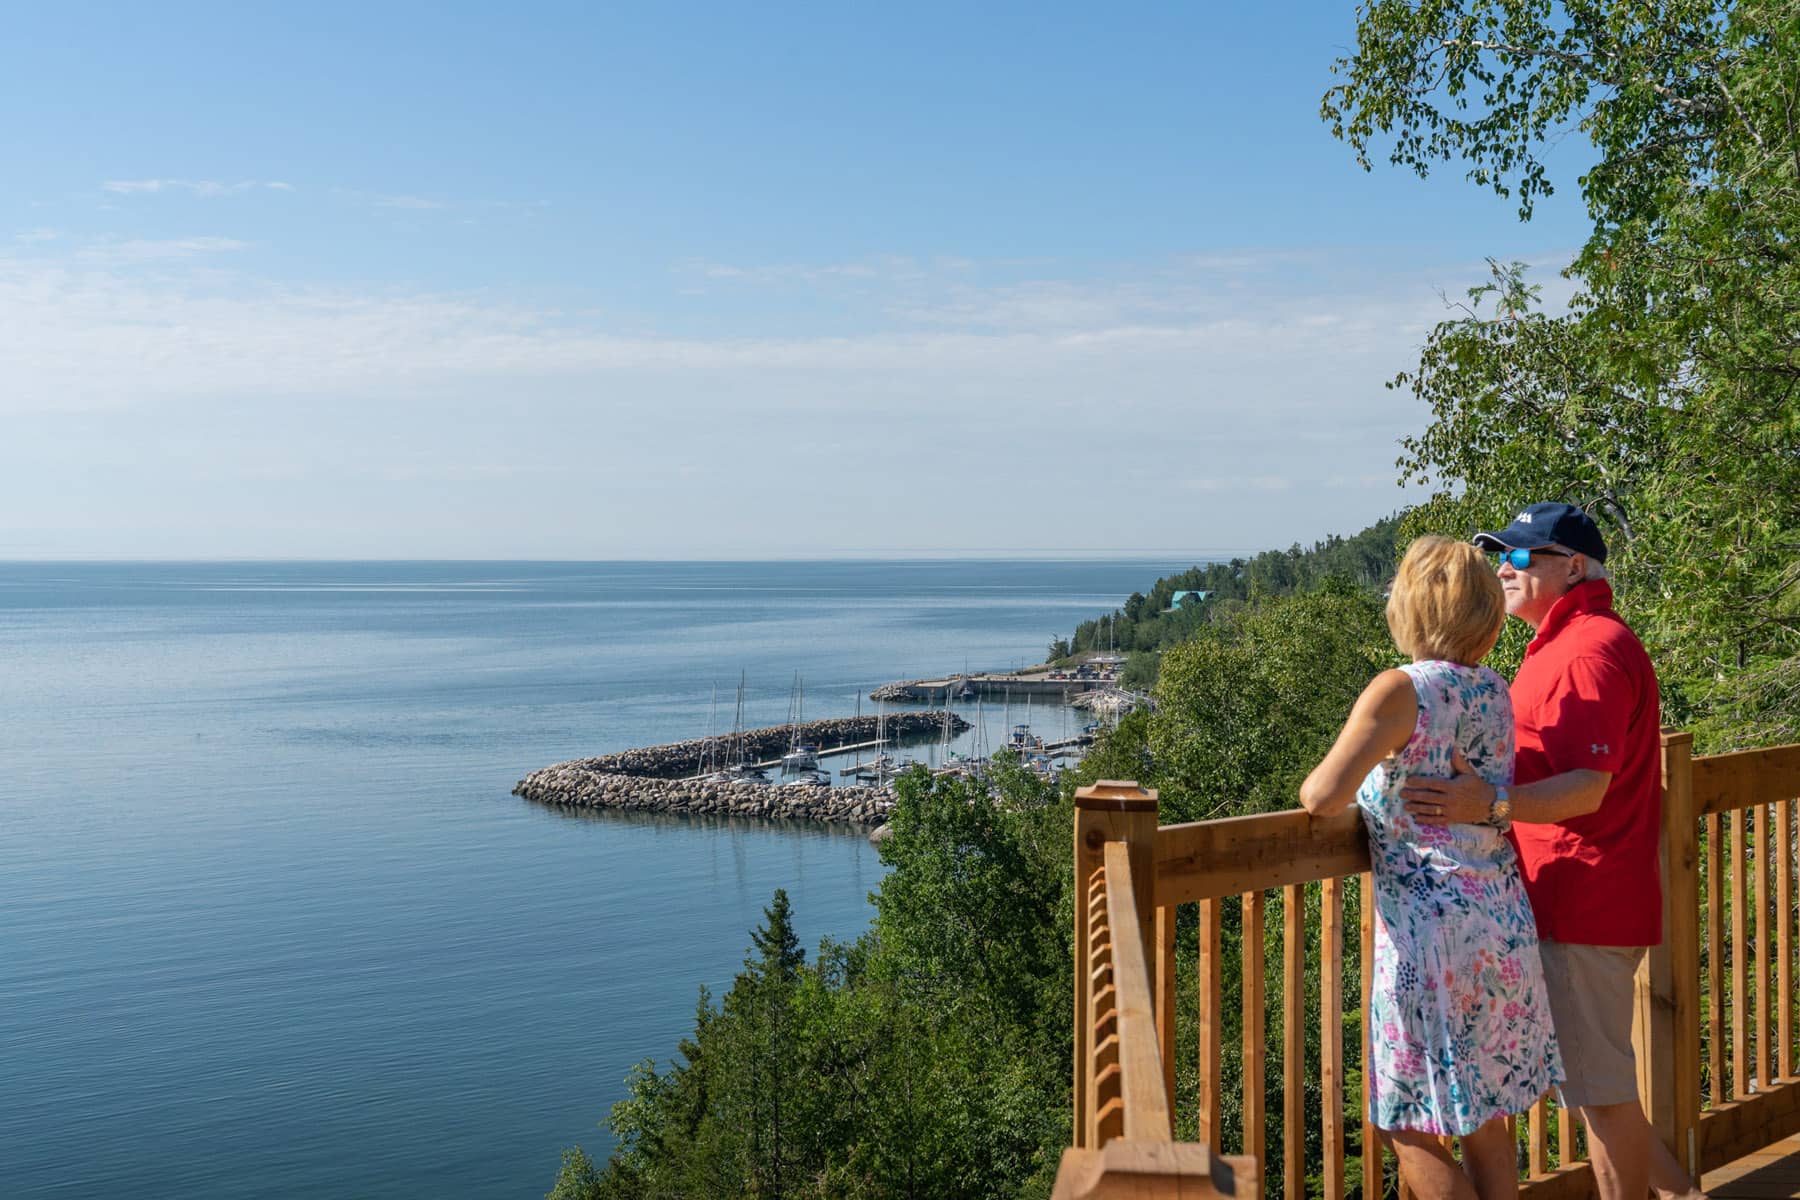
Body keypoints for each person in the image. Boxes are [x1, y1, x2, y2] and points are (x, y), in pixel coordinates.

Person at [1402, 502, 1706, 1200]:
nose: (1502, 570)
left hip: (1583, 901)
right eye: (1499, 558)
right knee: (1596, 1086)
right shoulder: (1565, 644)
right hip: (1572, 897)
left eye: (1517, 558)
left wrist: (1490, 806)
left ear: (1572, 567)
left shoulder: (1588, 650)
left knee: (1601, 1096)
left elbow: (1588, 787)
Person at [1301, 535, 1561, 1200]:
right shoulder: (1494, 692)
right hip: (1500, 924)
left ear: (1412, 605)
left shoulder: (1401, 691)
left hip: (1429, 937)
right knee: (1484, 1119)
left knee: (1409, 1121)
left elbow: (1322, 796)